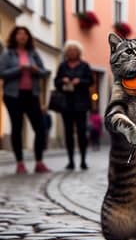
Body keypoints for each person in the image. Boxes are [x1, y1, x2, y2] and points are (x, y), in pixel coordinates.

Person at [0, 26, 51, 174]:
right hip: (13, 96)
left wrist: (36, 70)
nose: (22, 37)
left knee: (40, 127)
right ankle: (20, 163)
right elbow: (1, 73)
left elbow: (44, 73)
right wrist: (19, 69)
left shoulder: (33, 53)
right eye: (19, 34)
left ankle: (39, 161)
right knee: (17, 127)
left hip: (32, 95)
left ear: (28, 37)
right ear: (14, 37)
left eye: (25, 34)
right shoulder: (7, 54)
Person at [54, 40, 93, 170]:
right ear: (66, 52)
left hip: (81, 103)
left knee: (82, 132)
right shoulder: (62, 66)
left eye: (74, 50)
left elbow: (90, 81)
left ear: (78, 52)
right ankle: (70, 160)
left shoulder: (84, 66)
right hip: (66, 103)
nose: (71, 52)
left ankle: (83, 160)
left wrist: (80, 81)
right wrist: (62, 80)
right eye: (69, 50)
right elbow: (56, 82)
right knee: (68, 133)